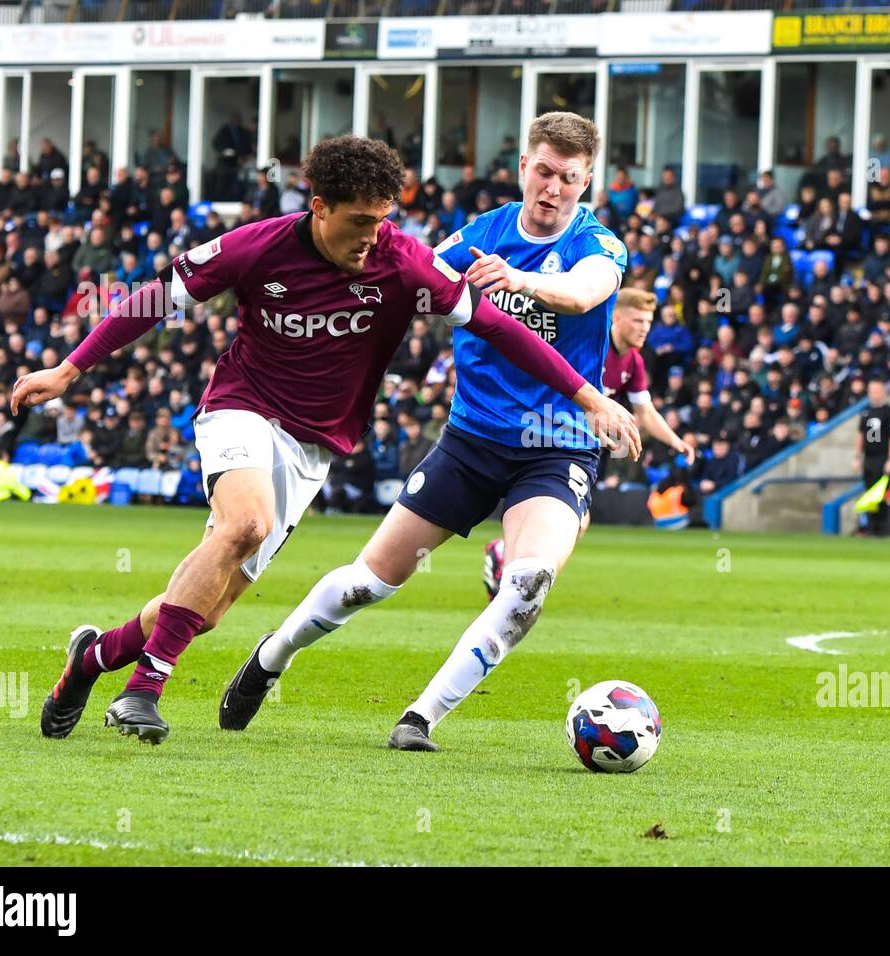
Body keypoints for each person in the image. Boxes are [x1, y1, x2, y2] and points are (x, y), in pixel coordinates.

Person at [18, 135, 629, 746]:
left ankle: (91, 661)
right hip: (243, 407)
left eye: (383, 219)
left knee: (207, 609)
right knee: (244, 526)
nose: (373, 234)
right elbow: (157, 298)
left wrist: (589, 396)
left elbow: (499, 328)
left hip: (313, 447)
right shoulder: (257, 245)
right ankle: (143, 691)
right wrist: (69, 370)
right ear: (319, 207)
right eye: (360, 221)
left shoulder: (404, 261)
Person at [216, 113, 643, 753]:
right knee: (370, 582)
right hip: (471, 442)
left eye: (571, 179)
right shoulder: (474, 237)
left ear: (588, 184)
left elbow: (585, 295)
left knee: (528, 582)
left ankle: (420, 718)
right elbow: (400, 279)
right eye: (546, 173)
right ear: (524, 169)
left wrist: (521, 280)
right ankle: (273, 654)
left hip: (557, 447)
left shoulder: (600, 244)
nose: (555, 188)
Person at [481, 287, 697, 599]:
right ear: (617, 318)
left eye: (648, 322)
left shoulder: (632, 362)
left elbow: (645, 410)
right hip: (546, 438)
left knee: (577, 523)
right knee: (569, 519)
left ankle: (506, 559)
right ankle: (513, 573)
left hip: (580, 447)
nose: (644, 328)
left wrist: (676, 442)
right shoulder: (592, 345)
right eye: (637, 320)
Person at [854, 378, 890, 535]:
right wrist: (857, 457)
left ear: (884, 392)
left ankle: (882, 528)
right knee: (869, 491)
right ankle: (871, 527)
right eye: (871, 391)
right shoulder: (866, 411)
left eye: (877, 390)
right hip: (869, 457)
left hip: (882, 457)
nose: (874, 394)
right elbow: (861, 435)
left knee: (881, 492)